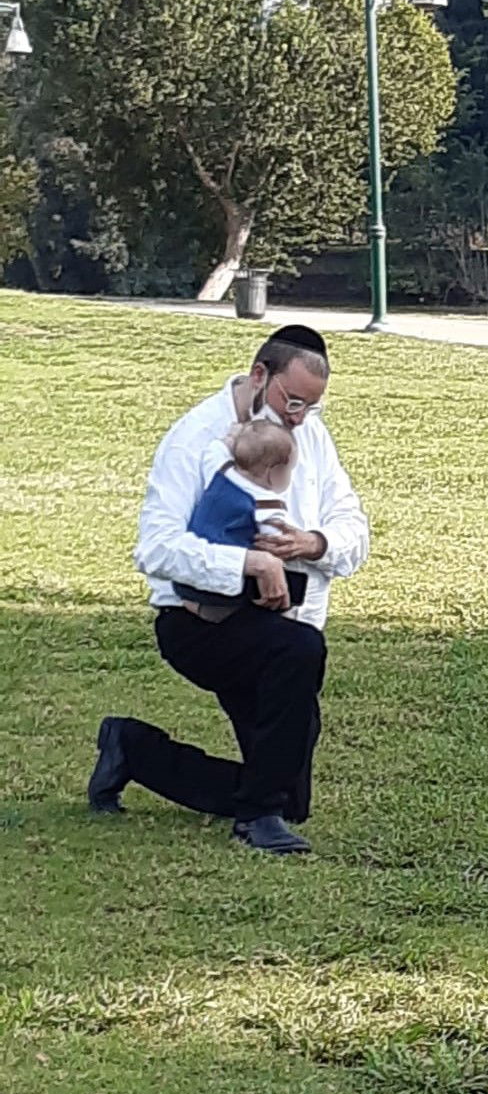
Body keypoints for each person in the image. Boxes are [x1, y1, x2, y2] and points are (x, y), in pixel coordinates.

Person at [86, 325, 369, 854]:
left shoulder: (310, 432)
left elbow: (352, 523)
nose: (299, 417)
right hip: (198, 623)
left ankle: (133, 749)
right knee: (299, 650)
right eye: (293, 401)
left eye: (312, 406)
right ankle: (256, 819)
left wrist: (315, 542)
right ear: (259, 375)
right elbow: (156, 549)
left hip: (282, 618)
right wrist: (248, 562)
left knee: (292, 795)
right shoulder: (195, 437)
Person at [172, 419, 302, 620]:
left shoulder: (221, 470)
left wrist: (232, 437)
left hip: (190, 572)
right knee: (285, 587)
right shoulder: (266, 503)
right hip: (227, 581)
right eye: (290, 470)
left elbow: (214, 450)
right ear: (275, 473)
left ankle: (193, 605)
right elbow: (277, 540)